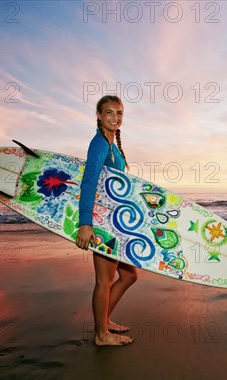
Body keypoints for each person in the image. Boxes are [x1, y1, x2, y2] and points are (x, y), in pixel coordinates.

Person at [75, 95, 137, 346]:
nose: (115, 117)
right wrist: (85, 223)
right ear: (98, 116)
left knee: (129, 276)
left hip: (114, 220)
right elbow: (88, 181)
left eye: (119, 113)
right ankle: (101, 335)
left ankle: (105, 319)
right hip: (102, 223)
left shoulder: (113, 143)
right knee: (104, 281)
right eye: (109, 112)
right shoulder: (99, 143)